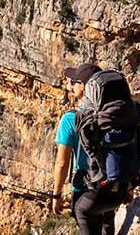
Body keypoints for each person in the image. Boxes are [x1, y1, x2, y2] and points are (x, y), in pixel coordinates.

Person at [51, 63, 132, 235]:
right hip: (116, 186)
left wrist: (56, 195)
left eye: (73, 81)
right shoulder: (114, 116)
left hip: (88, 191)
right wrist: (129, 185)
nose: (70, 85)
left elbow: (62, 163)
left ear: (83, 86)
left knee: (84, 215)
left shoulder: (70, 119)